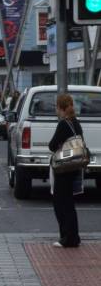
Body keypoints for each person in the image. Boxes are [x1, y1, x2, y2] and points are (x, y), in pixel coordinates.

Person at [49, 94, 82, 248]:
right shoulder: (76, 123)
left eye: (57, 107)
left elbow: (52, 145)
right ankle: (74, 236)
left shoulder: (63, 124)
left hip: (63, 168)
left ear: (60, 108)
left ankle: (67, 238)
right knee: (69, 203)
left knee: (60, 203)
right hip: (75, 166)